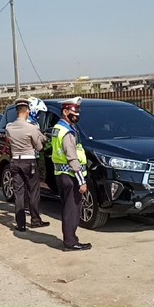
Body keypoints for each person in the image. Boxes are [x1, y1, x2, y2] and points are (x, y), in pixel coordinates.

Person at [51, 96, 92, 251]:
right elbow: (72, 158)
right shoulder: (67, 132)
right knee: (72, 210)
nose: (76, 117)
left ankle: (70, 239)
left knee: (68, 208)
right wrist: (81, 181)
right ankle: (70, 242)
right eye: (74, 114)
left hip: (60, 173)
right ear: (65, 111)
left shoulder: (57, 128)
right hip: (71, 175)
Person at [6, 98, 49, 232]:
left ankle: (21, 224)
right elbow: (39, 146)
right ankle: (35, 220)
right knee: (33, 192)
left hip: (14, 161)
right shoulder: (31, 128)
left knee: (19, 193)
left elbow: (9, 143)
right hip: (29, 161)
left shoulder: (9, 127)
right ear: (27, 112)